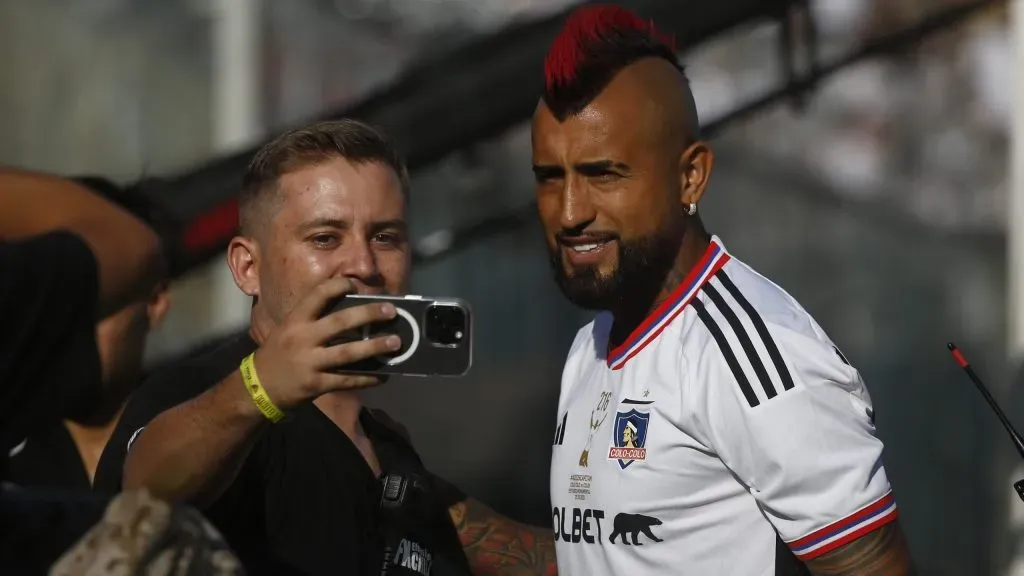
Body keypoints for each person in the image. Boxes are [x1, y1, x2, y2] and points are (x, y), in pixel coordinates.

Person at [536, 5, 915, 576]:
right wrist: (444, 511)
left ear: (690, 176)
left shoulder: (757, 357)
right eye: (550, 177)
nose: (569, 212)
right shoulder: (590, 346)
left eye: (603, 174)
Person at [94, 119, 557, 576]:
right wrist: (261, 389)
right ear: (247, 267)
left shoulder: (385, 447)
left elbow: (522, 553)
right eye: (325, 238)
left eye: (386, 237)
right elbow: (144, 495)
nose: (363, 263)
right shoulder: (201, 393)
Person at [6, 282, 171, 489]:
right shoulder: (11, 468)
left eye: (97, 308)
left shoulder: (204, 443)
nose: (72, 329)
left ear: (155, 302)